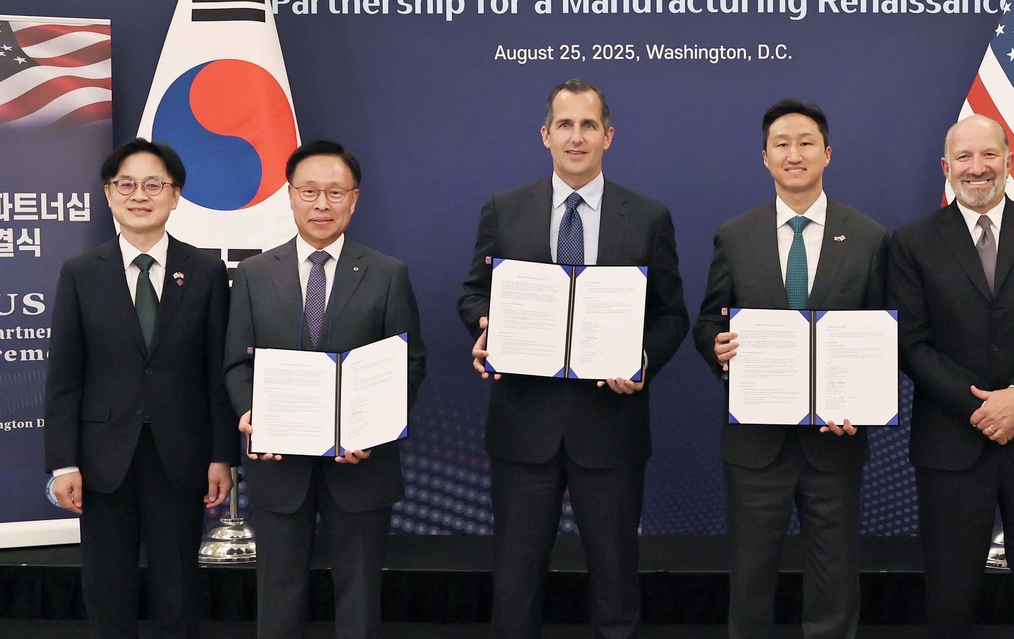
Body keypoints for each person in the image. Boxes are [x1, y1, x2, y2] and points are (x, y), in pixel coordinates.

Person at [458, 79, 689, 639]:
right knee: (515, 586)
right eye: (565, 124)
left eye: (589, 126)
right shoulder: (504, 210)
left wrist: (641, 360)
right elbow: (472, 294)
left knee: (615, 581)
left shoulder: (649, 217)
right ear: (545, 135)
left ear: (608, 136)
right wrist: (484, 327)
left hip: (610, 428)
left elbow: (671, 316)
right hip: (522, 428)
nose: (576, 137)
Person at [887, 114, 1014, 639]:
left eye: (988, 155)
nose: (977, 169)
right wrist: (981, 407)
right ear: (946, 167)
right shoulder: (911, 242)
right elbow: (911, 341)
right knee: (950, 595)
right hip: (952, 443)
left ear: (1009, 160)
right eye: (964, 158)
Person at [693, 99, 888, 639]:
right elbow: (709, 320)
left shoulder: (869, 237)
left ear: (827, 153)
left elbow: (885, 335)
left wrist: (865, 404)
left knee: (834, 584)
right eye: (782, 144)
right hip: (755, 445)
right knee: (751, 584)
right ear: (764, 158)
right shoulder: (736, 235)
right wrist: (718, 347)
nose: (794, 153)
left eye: (806, 143)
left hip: (835, 444)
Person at [222, 140, 427, 639]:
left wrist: (374, 429)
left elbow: (409, 364)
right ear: (289, 197)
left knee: (358, 599)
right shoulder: (251, 274)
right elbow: (234, 364)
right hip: (279, 466)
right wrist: (250, 414)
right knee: (279, 593)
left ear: (354, 200)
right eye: (309, 191)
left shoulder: (386, 274)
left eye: (335, 193)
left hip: (360, 464)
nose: (321, 204)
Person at [44, 138, 238, 639]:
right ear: (109, 195)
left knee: (179, 588)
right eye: (125, 184)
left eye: (154, 184)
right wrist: (64, 461)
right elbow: (65, 376)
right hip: (102, 459)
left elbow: (218, 372)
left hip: (182, 454)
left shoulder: (206, 272)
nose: (139, 195)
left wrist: (223, 455)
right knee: (108, 590)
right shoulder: (82, 273)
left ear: (176, 196)